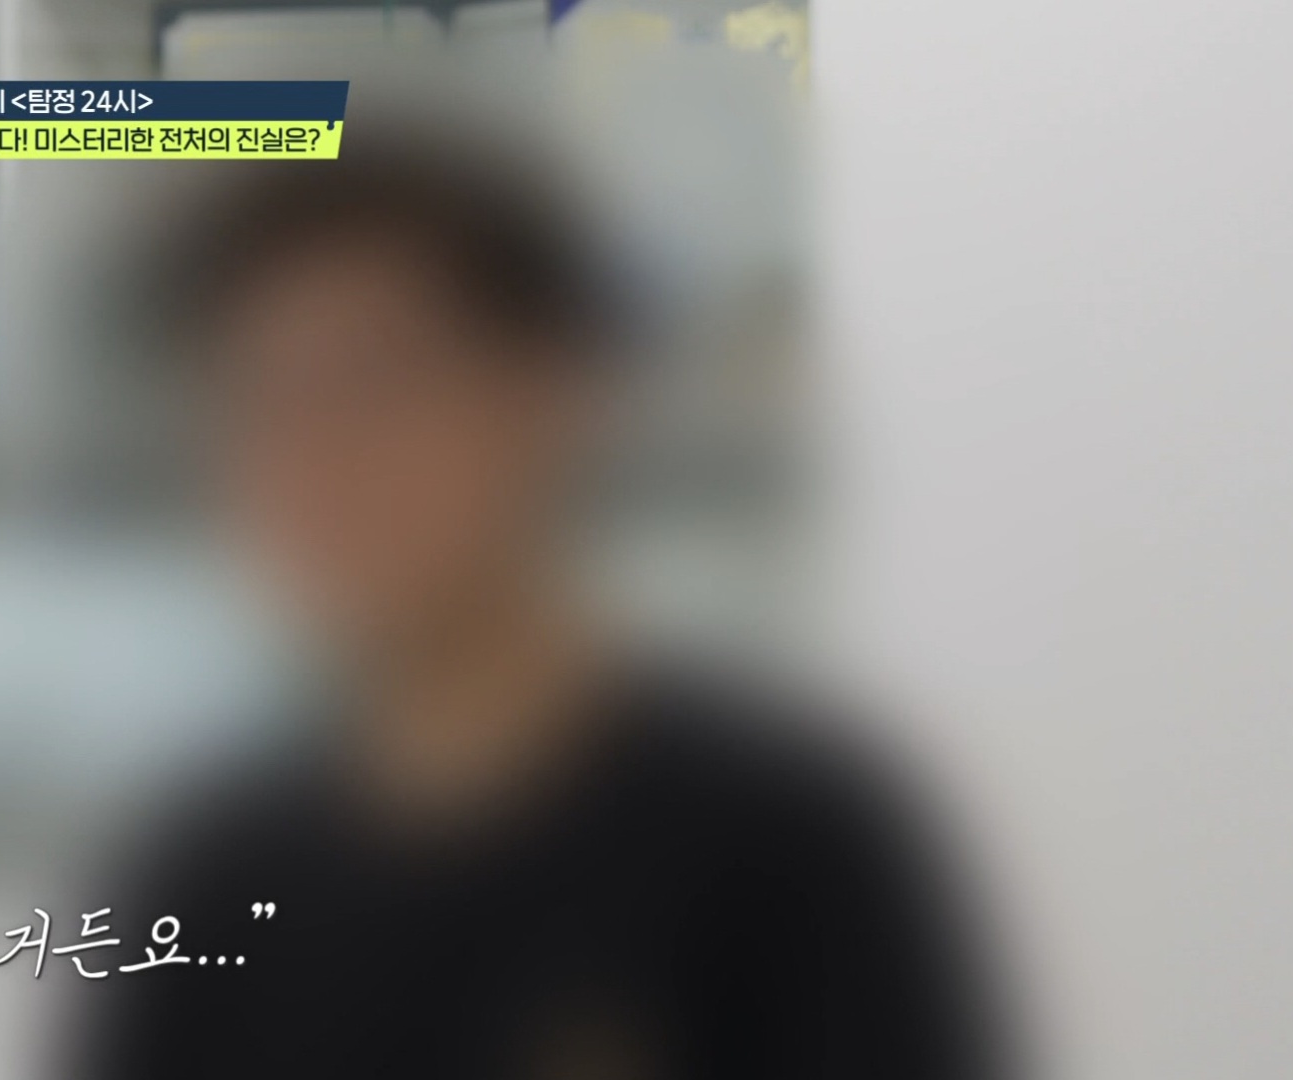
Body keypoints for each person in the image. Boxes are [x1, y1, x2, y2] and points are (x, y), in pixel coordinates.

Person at [64, 138, 1007, 1080]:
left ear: (553, 395)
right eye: (259, 401)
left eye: (374, 382)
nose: (315, 458)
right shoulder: (211, 881)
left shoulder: (782, 844)